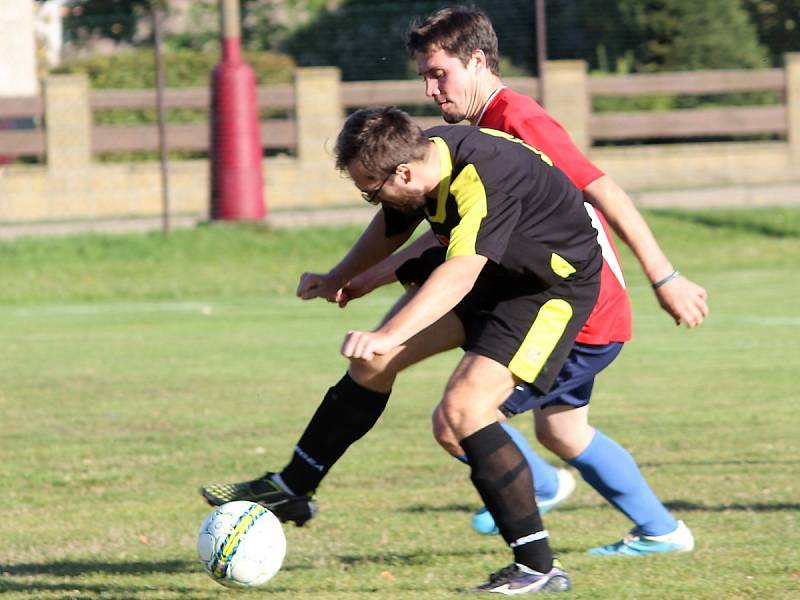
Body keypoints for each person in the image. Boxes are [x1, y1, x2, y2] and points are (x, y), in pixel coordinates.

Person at [336, 5, 708, 556]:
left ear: (479, 61)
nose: (432, 90)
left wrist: (665, 275)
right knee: (562, 431)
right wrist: (367, 273)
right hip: (543, 296)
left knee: (457, 419)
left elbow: (603, 191)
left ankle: (537, 490)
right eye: (424, 77)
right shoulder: (464, 142)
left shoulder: (517, 121)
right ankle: (661, 531)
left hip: (574, 303)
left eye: (440, 73)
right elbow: (447, 235)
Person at [203, 105, 611, 593]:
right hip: (494, 272)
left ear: (403, 171)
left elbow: (462, 271)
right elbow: (394, 226)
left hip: (546, 291)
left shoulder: (483, 179)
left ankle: (539, 566)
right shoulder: (424, 159)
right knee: (370, 362)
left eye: (370, 191)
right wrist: (343, 278)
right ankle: (294, 487)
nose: (370, 199)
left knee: (464, 410)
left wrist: (389, 332)